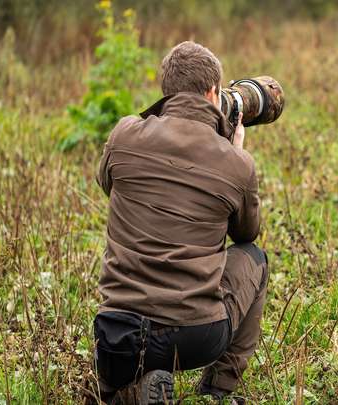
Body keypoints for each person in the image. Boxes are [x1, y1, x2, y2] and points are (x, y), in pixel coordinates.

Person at [93, 41, 268, 405]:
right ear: (212, 92)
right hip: (194, 337)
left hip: (116, 331)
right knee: (254, 257)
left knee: (114, 376)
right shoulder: (235, 164)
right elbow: (246, 234)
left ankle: (123, 386)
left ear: (166, 91)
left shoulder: (123, 134)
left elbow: (106, 182)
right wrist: (233, 154)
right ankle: (215, 391)